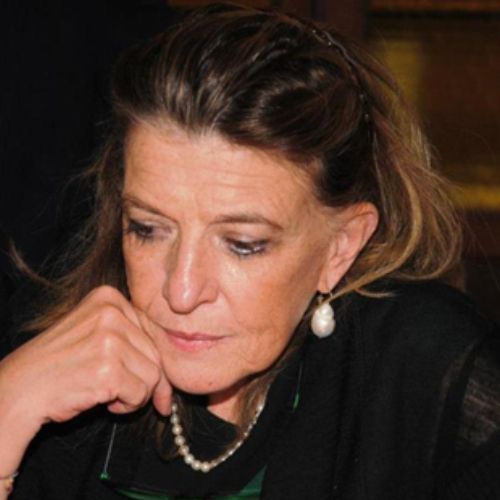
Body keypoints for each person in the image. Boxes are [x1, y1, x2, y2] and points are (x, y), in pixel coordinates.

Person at [0, 4, 499, 499]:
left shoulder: (426, 378)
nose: (182, 291)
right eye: (148, 229)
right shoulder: (63, 391)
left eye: (243, 245)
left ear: (341, 246)